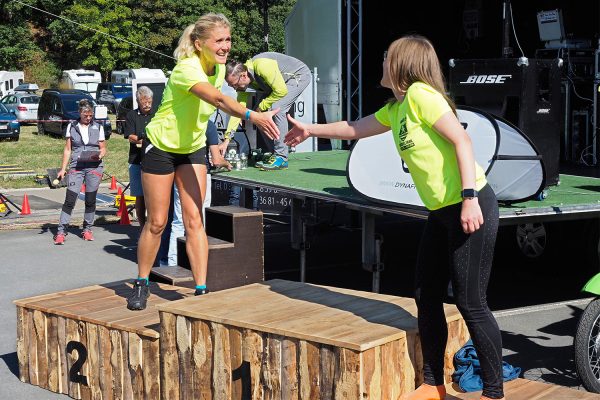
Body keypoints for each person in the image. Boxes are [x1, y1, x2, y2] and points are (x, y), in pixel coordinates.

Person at [284, 34, 504, 400]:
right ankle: (434, 384)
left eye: (387, 57)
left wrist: (469, 199)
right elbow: (355, 128)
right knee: (426, 294)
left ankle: (494, 393)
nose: (382, 62)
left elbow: (462, 142)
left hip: (471, 202)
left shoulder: (421, 96)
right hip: (441, 211)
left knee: (471, 302)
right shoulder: (398, 107)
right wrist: (311, 130)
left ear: (402, 64)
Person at [126, 13, 279, 311]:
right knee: (157, 221)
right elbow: (218, 101)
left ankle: (201, 290)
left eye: (228, 40)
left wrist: (214, 145)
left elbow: (208, 113)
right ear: (199, 44)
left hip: (192, 149)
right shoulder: (186, 69)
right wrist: (253, 116)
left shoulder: (219, 70)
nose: (225, 46)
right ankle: (142, 283)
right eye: (219, 41)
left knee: (196, 220)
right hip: (161, 146)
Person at [223, 52, 311, 170]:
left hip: (297, 75)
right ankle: (273, 153)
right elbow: (238, 111)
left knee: (277, 108)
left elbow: (281, 91)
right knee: (257, 116)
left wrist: (261, 106)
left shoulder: (261, 65)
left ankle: (281, 157)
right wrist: (227, 139)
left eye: (234, 85)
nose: (234, 88)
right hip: (277, 85)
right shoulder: (243, 83)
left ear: (243, 76)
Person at [53, 99, 107, 245]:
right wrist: (63, 169)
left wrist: (100, 155)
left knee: (90, 200)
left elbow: (103, 148)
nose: (88, 118)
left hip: (94, 167)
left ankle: (87, 229)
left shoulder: (98, 127)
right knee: (70, 199)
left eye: (90, 115)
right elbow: (67, 149)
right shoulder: (72, 126)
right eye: (86, 116)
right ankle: (61, 231)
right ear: (80, 113)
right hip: (76, 167)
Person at [124, 86, 155, 230]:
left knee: (153, 195)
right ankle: (142, 227)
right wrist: (143, 141)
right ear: (138, 101)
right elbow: (130, 136)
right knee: (139, 195)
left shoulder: (156, 115)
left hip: (154, 160)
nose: (148, 105)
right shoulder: (131, 115)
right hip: (136, 160)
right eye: (144, 102)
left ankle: (153, 224)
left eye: (149, 101)